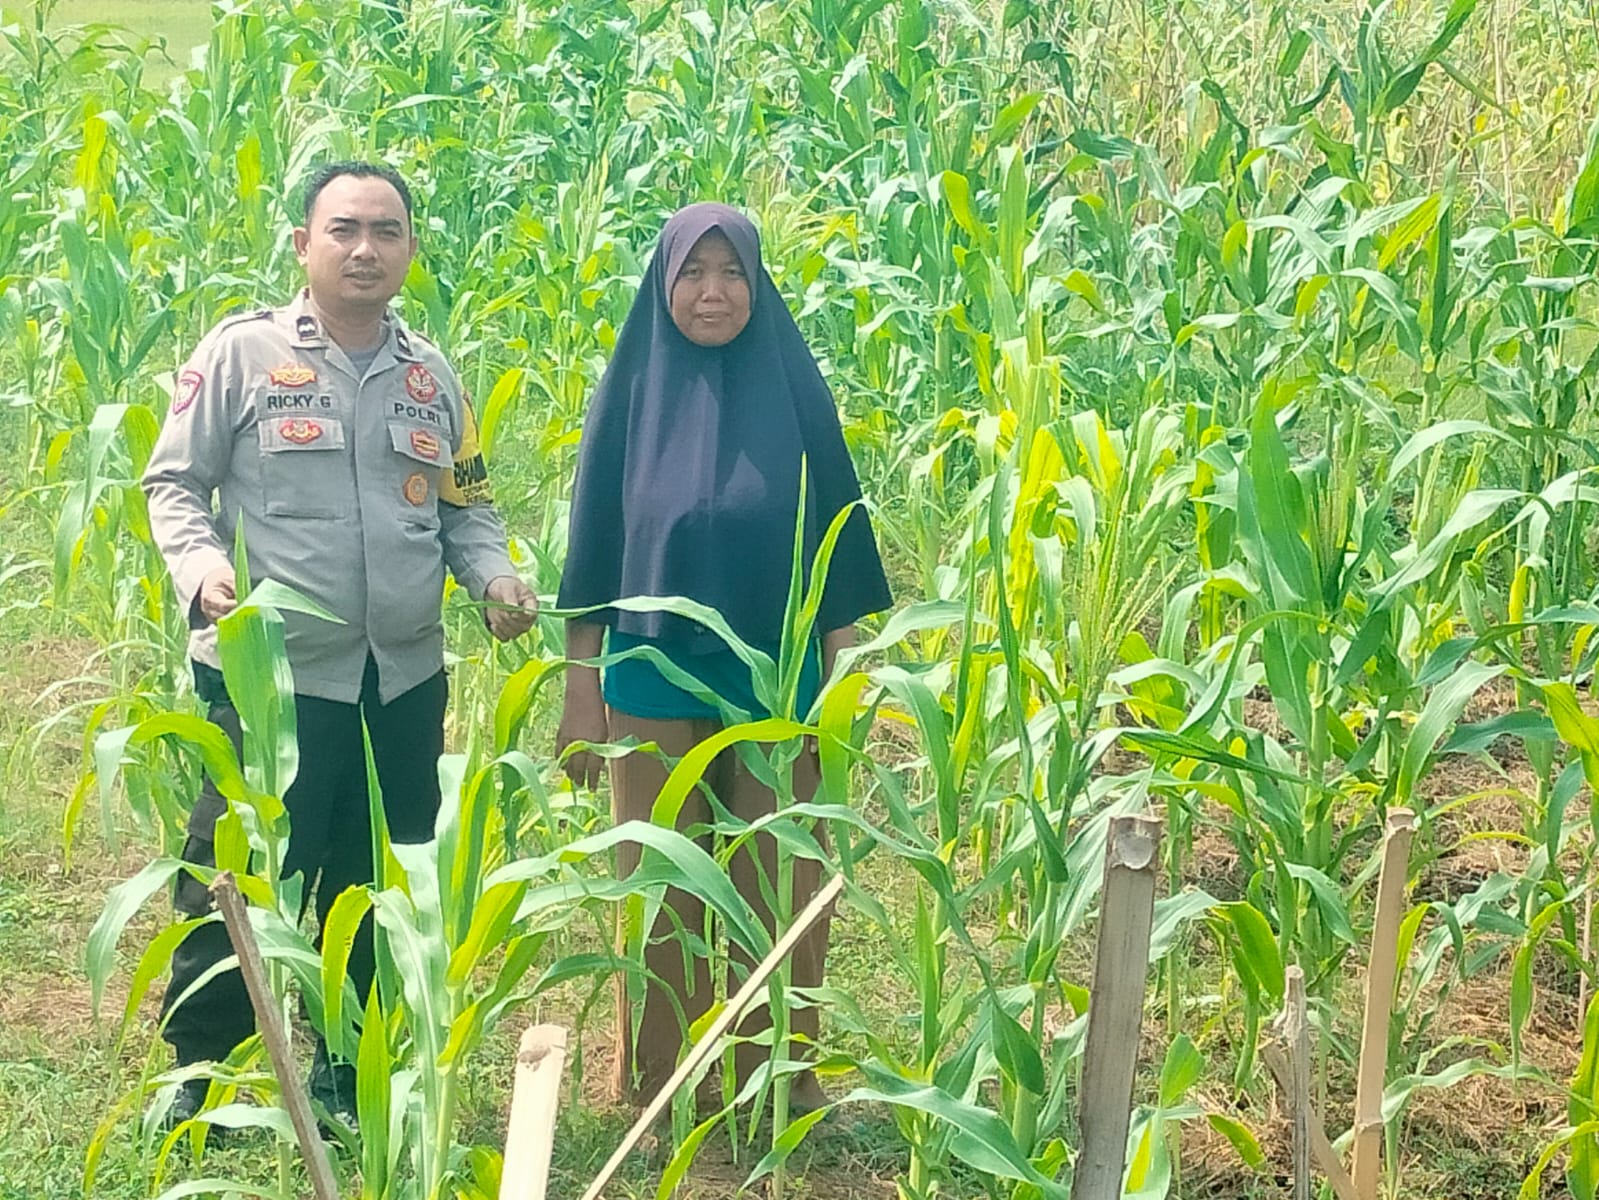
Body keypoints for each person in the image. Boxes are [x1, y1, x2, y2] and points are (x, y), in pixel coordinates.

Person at [142, 161, 538, 1130]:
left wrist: (493, 578)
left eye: (387, 232)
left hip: (400, 681)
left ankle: (347, 1072)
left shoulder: (430, 376)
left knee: (375, 883)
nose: (366, 250)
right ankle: (199, 1077)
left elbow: (467, 509)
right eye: (345, 230)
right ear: (304, 245)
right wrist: (203, 570)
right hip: (274, 677)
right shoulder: (242, 354)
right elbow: (174, 484)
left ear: (410, 248)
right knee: (235, 876)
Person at [554, 202, 891, 1112]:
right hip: (649, 669)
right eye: (693, 273)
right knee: (661, 876)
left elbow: (842, 553)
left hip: (776, 680)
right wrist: (580, 695)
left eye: (732, 272)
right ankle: (656, 1082)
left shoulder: (794, 391)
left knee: (779, 875)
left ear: (757, 283)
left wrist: (843, 685)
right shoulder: (631, 393)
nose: (713, 292)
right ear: (663, 286)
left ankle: (774, 1080)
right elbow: (591, 556)